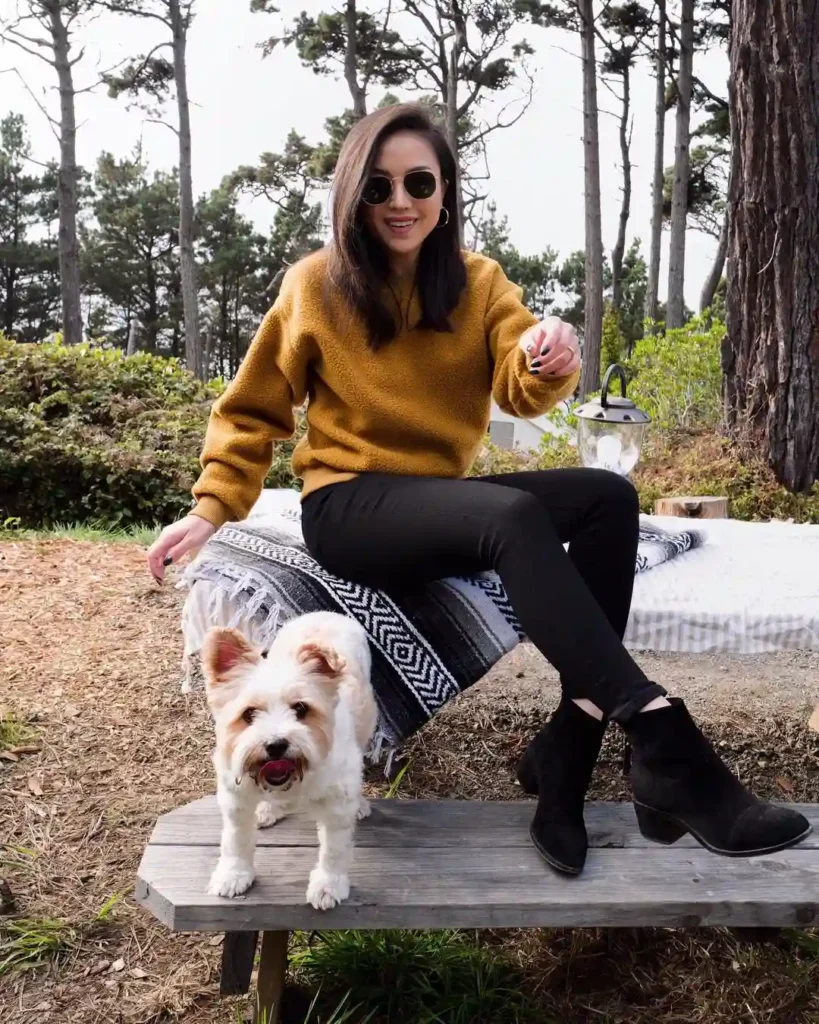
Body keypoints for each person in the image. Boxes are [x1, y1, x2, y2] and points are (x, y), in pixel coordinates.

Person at [148, 102, 810, 876]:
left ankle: (568, 746)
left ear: (444, 193)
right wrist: (210, 508)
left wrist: (545, 357)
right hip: (349, 507)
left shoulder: (478, 283)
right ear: (352, 196)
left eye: (418, 182)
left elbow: (518, 384)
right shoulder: (316, 286)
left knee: (606, 497)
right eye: (379, 186)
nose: (400, 201)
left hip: (434, 504)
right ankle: (661, 737)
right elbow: (254, 409)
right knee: (513, 513)